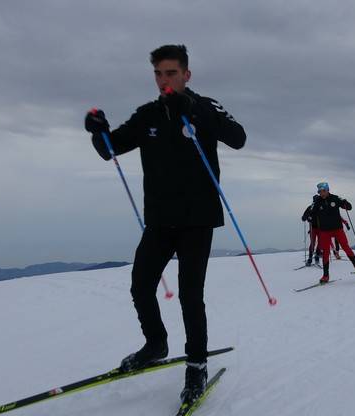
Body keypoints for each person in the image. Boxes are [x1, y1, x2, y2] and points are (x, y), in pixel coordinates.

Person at [84, 44, 246, 403]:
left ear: (186, 75)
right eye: (158, 73)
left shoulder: (205, 106)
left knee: (190, 295)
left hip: (198, 219)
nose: (163, 80)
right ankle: (155, 344)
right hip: (159, 220)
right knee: (141, 285)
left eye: (171, 73)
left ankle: (197, 365)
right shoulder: (148, 115)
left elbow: (238, 138)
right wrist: (97, 130)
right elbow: (111, 148)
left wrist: (195, 111)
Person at [310, 182, 355, 282]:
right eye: (320, 192)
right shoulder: (317, 202)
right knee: (326, 252)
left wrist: (346, 204)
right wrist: (309, 216)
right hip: (324, 231)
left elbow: (349, 207)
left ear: (327, 190)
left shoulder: (335, 198)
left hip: (337, 229)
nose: (322, 193)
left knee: (346, 247)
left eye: (323, 191)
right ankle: (325, 276)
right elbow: (311, 213)